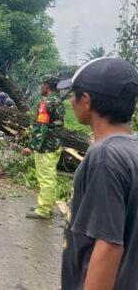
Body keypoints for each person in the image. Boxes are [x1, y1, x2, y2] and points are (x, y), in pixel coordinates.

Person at [58, 58, 138, 289]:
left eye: (73, 94)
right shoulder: (131, 148)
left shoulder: (105, 157)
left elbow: (109, 245)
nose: (71, 101)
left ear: (86, 100)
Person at [21, 75, 65, 219]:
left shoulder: (46, 103)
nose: (41, 87)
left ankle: (44, 210)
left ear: (47, 86)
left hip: (46, 147)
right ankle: (48, 204)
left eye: (42, 84)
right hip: (56, 145)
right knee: (51, 177)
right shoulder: (59, 102)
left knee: (45, 178)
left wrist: (31, 147)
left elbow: (41, 127)